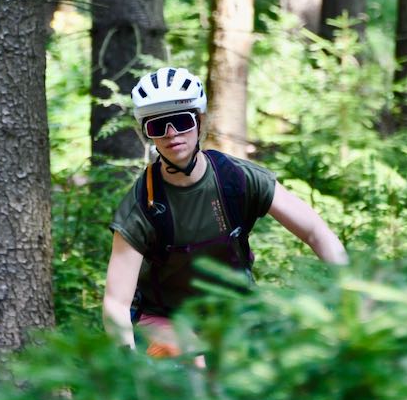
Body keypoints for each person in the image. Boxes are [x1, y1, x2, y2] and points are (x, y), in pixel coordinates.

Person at [103, 66, 348, 358]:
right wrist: (127, 366)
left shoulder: (237, 178)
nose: (171, 134)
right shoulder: (142, 202)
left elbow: (316, 232)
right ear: (148, 134)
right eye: (158, 126)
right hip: (163, 318)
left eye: (181, 121)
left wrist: (350, 293)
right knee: (196, 362)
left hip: (237, 313)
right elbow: (116, 303)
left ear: (199, 121)